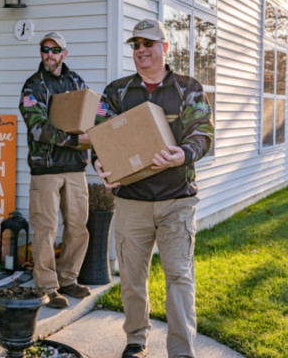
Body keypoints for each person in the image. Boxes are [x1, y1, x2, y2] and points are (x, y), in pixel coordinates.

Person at [93, 19, 214, 358]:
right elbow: (100, 137)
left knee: (179, 278)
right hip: (132, 201)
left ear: (165, 47)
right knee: (132, 278)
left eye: (148, 43)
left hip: (177, 201)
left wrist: (183, 155)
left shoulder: (188, 89)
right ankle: (136, 339)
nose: (141, 49)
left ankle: (181, 351)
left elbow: (203, 134)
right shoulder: (116, 92)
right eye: (136, 44)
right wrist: (99, 164)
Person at [18, 31, 93, 309]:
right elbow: (37, 127)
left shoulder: (77, 83)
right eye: (44, 49)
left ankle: (68, 278)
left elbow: (92, 117)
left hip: (75, 168)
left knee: (78, 226)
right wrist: (75, 140)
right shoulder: (32, 87)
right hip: (46, 169)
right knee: (45, 229)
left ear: (64, 53)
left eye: (55, 49)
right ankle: (47, 287)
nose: (49, 54)